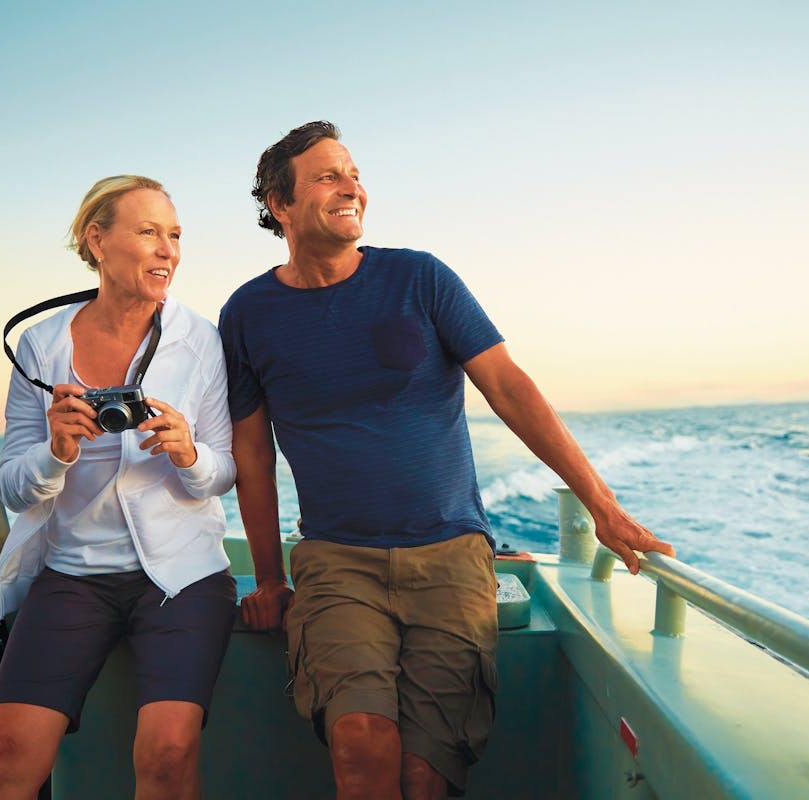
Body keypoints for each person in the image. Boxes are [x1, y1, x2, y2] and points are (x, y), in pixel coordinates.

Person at [220, 121, 676, 799]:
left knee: (425, 773)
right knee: (359, 746)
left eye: (353, 173)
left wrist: (602, 508)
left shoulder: (420, 277)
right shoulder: (248, 313)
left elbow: (511, 389)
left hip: (452, 556)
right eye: (326, 176)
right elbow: (251, 453)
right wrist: (266, 578)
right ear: (278, 204)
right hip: (337, 562)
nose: (351, 187)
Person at [0, 175, 237, 800]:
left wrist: (189, 451)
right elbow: (14, 487)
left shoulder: (199, 340)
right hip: (73, 575)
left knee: (168, 755)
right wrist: (56, 452)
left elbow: (223, 471)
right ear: (98, 240)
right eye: (148, 232)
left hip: (183, 576)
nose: (167, 250)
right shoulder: (41, 346)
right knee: (3, 751)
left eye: (174, 236)